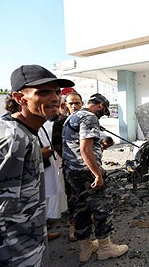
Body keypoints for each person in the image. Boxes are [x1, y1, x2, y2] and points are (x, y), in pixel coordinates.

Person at [0, 64, 74, 266]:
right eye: (43, 92)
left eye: (57, 92)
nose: (55, 98)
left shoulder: (28, 132)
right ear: (19, 98)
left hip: (31, 244)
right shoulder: (11, 137)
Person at [62, 93, 128, 262]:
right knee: (101, 209)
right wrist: (97, 174)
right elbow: (85, 150)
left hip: (72, 172)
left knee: (80, 209)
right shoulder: (89, 117)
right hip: (86, 173)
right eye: (104, 111)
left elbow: (75, 147)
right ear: (100, 105)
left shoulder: (71, 118)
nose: (102, 114)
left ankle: (85, 249)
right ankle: (105, 248)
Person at [52, 91, 84, 242]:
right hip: (70, 167)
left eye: (77, 103)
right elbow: (57, 145)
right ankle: (73, 226)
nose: (74, 106)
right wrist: (70, 159)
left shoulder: (85, 120)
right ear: (65, 105)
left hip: (87, 167)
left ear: (82, 104)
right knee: (73, 198)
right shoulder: (60, 122)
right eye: (71, 103)